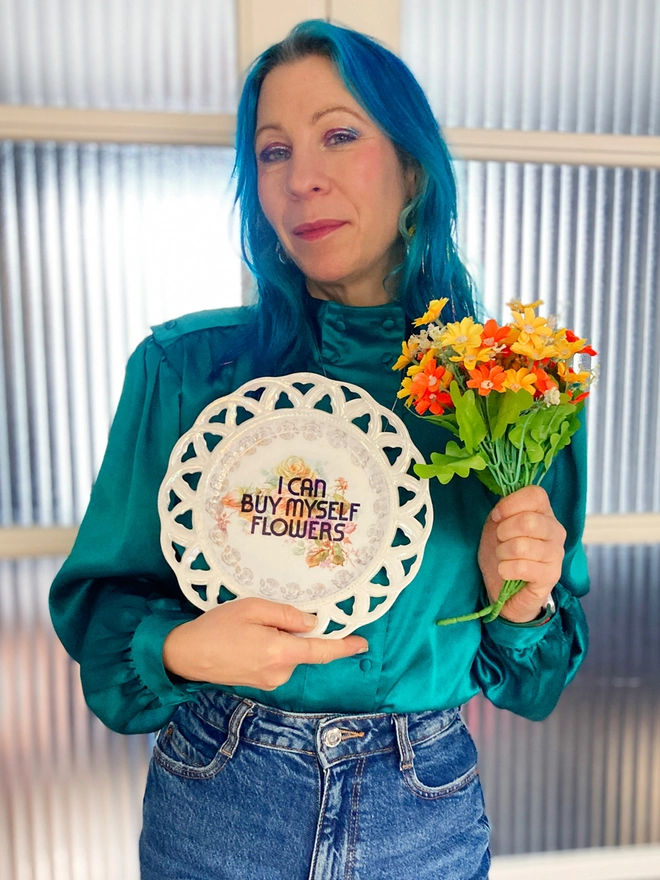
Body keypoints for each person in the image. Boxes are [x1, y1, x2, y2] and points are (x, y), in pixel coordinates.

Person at [50, 20, 589, 880]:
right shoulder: (185, 371)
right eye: (271, 152)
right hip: (220, 794)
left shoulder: (510, 388)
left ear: (413, 166)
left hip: (427, 805)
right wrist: (186, 648)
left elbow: (533, 682)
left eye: (340, 135)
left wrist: (521, 602)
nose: (302, 179)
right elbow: (99, 617)